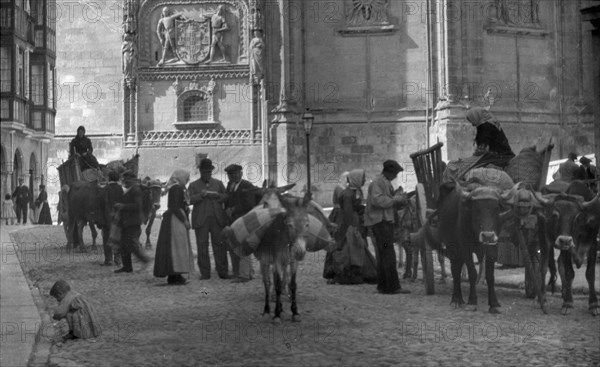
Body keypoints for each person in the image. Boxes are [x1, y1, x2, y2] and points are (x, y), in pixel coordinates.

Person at [364, 160, 411, 294]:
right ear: (388, 172)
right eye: (395, 173)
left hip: (383, 223)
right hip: (381, 224)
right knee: (388, 253)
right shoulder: (377, 183)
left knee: (384, 253)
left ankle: (383, 285)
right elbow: (377, 200)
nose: (396, 176)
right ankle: (392, 287)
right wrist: (395, 200)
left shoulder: (384, 182)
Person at [324, 169, 377, 285]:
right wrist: (346, 229)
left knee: (356, 247)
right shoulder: (347, 194)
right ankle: (346, 274)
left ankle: (357, 273)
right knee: (348, 247)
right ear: (356, 179)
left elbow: (356, 207)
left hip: (355, 221)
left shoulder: (356, 191)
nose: (364, 180)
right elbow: (348, 213)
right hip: (350, 223)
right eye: (362, 178)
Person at [188, 158, 230, 279]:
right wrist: (200, 196)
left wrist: (218, 196)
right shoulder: (193, 185)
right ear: (200, 171)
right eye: (205, 171)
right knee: (202, 246)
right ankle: (205, 273)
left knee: (220, 245)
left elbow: (226, 196)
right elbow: (188, 200)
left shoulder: (218, 183)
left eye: (209, 172)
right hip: (201, 221)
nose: (207, 174)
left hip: (217, 219)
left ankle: (223, 271)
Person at [154, 169, 194, 285]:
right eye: (187, 177)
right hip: (175, 221)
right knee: (176, 247)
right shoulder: (177, 188)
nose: (188, 179)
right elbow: (175, 207)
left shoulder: (175, 187)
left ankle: (174, 275)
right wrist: (185, 220)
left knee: (175, 248)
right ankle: (175, 275)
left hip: (173, 220)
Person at [224, 164, 260, 283]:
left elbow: (249, 204)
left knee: (243, 245)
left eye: (234, 174)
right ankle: (242, 272)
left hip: (244, 220)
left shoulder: (247, 186)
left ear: (241, 173)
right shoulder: (230, 185)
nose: (232, 177)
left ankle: (245, 274)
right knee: (234, 245)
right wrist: (227, 209)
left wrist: (233, 209)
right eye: (230, 175)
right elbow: (227, 200)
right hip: (233, 221)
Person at [113, 170, 150, 273]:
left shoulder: (135, 190)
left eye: (126, 179)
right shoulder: (129, 190)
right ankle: (127, 267)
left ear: (131, 179)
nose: (125, 180)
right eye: (124, 179)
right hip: (126, 222)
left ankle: (145, 260)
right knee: (124, 245)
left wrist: (123, 206)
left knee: (132, 244)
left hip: (133, 222)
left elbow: (138, 206)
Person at [98, 171, 123, 266]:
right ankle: (118, 258)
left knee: (107, 239)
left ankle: (108, 260)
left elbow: (100, 203)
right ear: (117, 179)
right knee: (118, 238)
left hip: (107, 219)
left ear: (109, 178)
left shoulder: (105, 189)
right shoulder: (121, 189)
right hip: (119, 218)